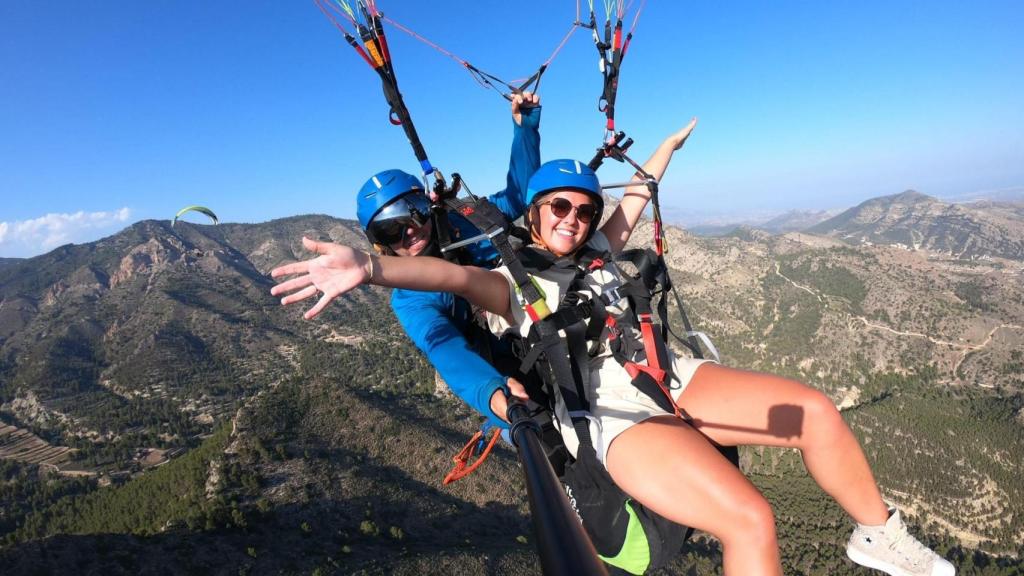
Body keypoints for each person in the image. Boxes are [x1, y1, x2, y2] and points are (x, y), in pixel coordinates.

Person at [271, 119, 954, 576]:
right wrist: (371, 269)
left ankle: (878, 535)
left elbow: (638, 191)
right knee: (751, 519)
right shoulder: (508, 280)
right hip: (609, 412)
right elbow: (445, 278)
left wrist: (664, 146)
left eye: (582, 208)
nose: (573, 218)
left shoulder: (600, 244)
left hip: (668, 373)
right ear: (531, 215)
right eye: (556, 208)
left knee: (815, 412)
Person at [326, 92, 540, 428]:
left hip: (539, 314)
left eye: (413, 214)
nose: (409, 232)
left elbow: (517, 198)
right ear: (378, 244)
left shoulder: (463, 222)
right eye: (389, 231)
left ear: (429, 206)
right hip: (504, 368)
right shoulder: (411, 299)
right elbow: (446, 349)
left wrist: (524, 130)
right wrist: (495, 395)